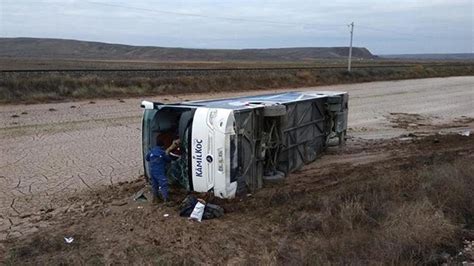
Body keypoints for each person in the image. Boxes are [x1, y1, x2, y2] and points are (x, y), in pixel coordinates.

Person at [146, 137, 180, 203]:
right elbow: (168, 160)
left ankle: (156, 198)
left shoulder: (151, 151)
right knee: (163, 184)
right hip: (159, 171)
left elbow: (147, 158)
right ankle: (166, 200)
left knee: (154, 185)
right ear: (162, 145)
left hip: (152, 171)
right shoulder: (162, 152)